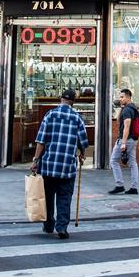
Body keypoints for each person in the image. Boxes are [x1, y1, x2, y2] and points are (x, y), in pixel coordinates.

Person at [30, 88, 89, 239]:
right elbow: (83, 141)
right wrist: (82, 154)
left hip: (49, 165)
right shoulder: (77, 118)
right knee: (64, 197)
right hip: (67, 167)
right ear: (73, 102)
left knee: (48, 196)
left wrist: (36, 160)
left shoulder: (50, 115)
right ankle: (61, 227)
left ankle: (49, 224)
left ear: (61, 99)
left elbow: (41, 141)